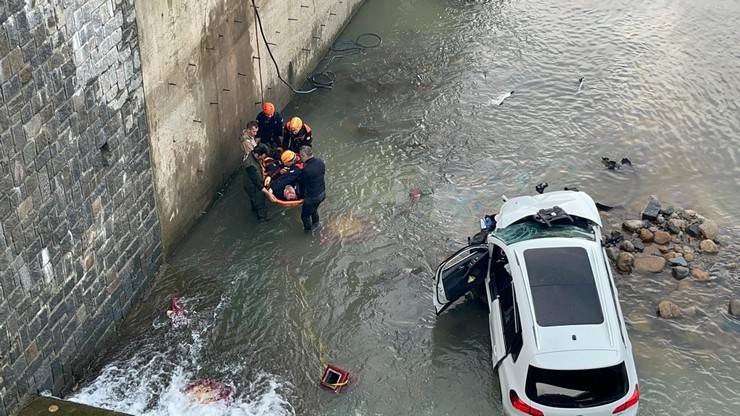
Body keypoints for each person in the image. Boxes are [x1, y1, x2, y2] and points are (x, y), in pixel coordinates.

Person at [299, 146, 325, 231]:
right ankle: (316, 224)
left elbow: (302, 185)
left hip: (312, 197)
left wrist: (301, 197)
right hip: (322, 193)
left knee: (305, 216)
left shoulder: (306, 169)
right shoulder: (320, 162)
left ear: (304, 155)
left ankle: (308, 232)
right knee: (314, 210)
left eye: (300, 156)